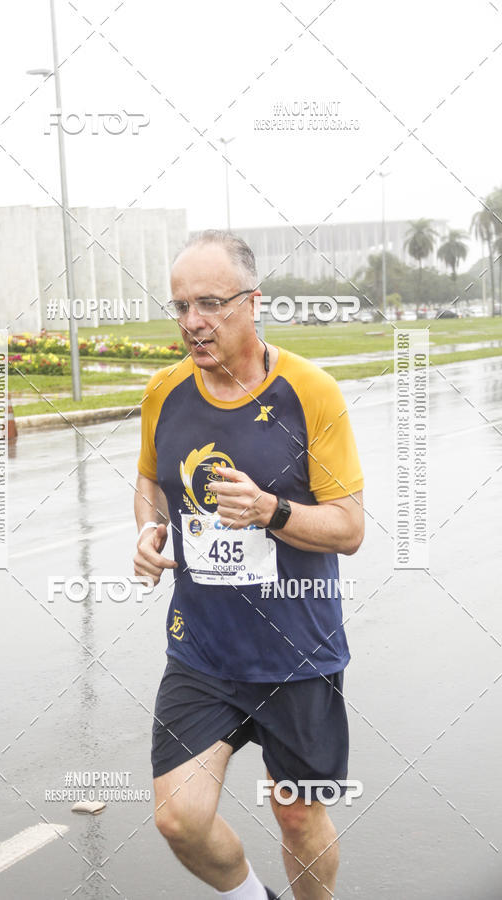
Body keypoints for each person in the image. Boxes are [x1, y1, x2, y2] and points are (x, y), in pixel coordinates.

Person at [133, 230, 364, 899]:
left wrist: (271, 510)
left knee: (296, 813)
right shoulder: (164, 393)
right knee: (180, 818)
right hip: (202, 654)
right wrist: (150, 530)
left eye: (209, 303)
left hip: (297, 655)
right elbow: (150, 483)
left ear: (252, 301)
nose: (192, 322)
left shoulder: (310, 394)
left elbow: (350, 530)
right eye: (180, 306)